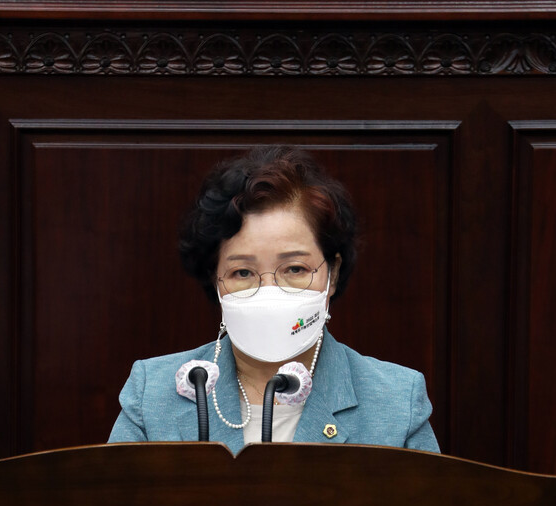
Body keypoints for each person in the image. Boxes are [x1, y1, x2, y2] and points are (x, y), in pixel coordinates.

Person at [108, 146, 439, 456]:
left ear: (333, 274)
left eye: (295, 269)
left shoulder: (397, 401)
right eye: (242, 272)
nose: (269, 292)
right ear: (216, 278)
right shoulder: (152, 393)